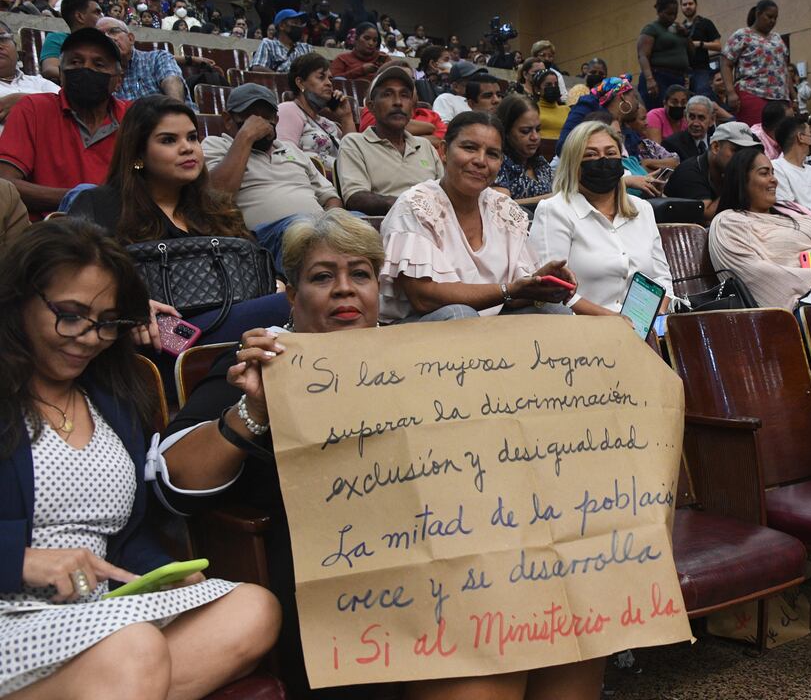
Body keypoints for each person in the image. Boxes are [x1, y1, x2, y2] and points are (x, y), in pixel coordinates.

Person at [153, 209, 607, 699]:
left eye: (361, 275)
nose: (345, 289)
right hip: (349, 592)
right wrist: (254, 409)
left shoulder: (415, 355)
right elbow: (174, 483)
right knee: (489, 662)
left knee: (571, 632)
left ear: (378, 289)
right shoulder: (264, 361)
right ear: (292, 293)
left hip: (459, 563)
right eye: (323, 276)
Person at [0, 217, 281, 699]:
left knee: (253, 608)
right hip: (13, 613)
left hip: (97, 612)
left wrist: (161, 576)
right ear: (21, 299)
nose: (88, 337)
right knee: (134, 649)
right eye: (70, 314)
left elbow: (124, 537)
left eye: (107, 323)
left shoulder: (113, 396)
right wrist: (20, 561)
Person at [68, 94, 291, 344]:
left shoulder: (216, 208)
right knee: (288, 306)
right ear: (138, 153)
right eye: (168, 140)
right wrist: (125, 302)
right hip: (152, 334)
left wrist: (277, 283)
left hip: (230, 327)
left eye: (192, 137)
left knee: (297, 302)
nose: (187, 148)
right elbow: (71, 278)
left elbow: (261, 265)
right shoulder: (99, 204)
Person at [378, 112, 578, 322]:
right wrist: (508, 290)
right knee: (460, 315)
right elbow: (424, 299)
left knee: (555, 312)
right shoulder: (415, 206)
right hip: (419, 331)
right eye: (469, 148)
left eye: (492, 154)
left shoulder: (504, 210)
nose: (481, 161)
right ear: (444, 151)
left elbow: (511, 298)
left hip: (486, 325)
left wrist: (538, 284)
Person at [531, 120, 672, 315]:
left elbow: (661, 278)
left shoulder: (642, 209)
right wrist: (615, 320)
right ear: (574, 164)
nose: (603, 160)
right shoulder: (554, 210)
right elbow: (552, 291)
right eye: (591, 155)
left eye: (611, 153)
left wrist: (655, 316)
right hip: (583, 329)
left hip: (645, 329)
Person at [203, 83, 342, 269]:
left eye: (267, 116)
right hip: (265, 237)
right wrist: (245, 137)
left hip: (316, 228)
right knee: (301, 227)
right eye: (250, 116)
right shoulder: (216, 145)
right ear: (228, 120)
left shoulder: (291, 149)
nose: (260, 123)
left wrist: (332, 222)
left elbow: (330, 196)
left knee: (362, 224)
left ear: (276, 118)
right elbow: (217, 194)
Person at [0, 28, 128, 215]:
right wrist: (76, 197)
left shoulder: (132, 116)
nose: (86, 69)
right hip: (52, 233)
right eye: (75, 62)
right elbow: (5, 182)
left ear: (119, 80)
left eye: (99, 64)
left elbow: (146, 172)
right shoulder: (33, 109)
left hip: (126, 228)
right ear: (61, 73)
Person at [709, 147, 811, 309]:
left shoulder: (789, 208)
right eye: (764, 173)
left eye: (773, 173)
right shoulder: (728, 221)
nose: (774, 180)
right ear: (741, 179)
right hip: (804, 306)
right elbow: (751, 271)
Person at [336, 64, 443, 215]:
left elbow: (446, 192)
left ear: (412, 108)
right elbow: (354, 197)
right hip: (385, 223)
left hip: (434, 222)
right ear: (371, 107)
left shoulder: (425, 146)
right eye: (387, 94)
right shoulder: (354, 143)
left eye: (405, 95)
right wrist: (410, 205)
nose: (398, 102)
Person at [276, 52, 355, 175]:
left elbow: (353, 159)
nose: (329, 83)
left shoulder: (329, 125)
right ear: (300, 83)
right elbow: (286, 158)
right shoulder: (288, 110)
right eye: (321, 77)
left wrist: (346, 117)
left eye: (330, 78)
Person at [663, 121, 757, 222]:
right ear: (715, 147)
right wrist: (736, 180)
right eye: (736, 151)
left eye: (746, 152)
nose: (743, 157)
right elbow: (706, 215)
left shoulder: (726, 169)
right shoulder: (689, 172)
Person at [719, 0, 792, 126]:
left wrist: (793, 96)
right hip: (752, 92)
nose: (773, 21)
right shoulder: (742, 35)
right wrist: (730, 92)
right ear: (758, 14)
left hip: (781, 97)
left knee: (782, 138)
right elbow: (726, 63)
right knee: (756, 136)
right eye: (769, 16)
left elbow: (784, 69)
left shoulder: (777, 38)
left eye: (775, 18)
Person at [95, 16, 188, 105]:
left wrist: (177, 113)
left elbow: (172, 82)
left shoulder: (157, 58)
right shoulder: (101, 75)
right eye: (101, 35)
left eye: (113, 31)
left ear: (130, 38)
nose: (108, 38)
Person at [557, 75, 642, 157]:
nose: (638, 104)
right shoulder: (587, 107)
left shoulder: (627, 130)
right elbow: (563, 147)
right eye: (635, 97)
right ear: (622, 97)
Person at [0, 20, 59, 135]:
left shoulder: (39, 82)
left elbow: (69, 106)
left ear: (16, 49)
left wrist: (25, 102)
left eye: (3, 39)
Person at [494, 93, 554, 204]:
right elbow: (502, 204)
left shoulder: (540, 162)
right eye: (525, 131)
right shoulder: (498, 163)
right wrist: (551, 199)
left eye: (538, 129)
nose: (535, 137)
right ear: (506, 131)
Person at [637, 0, 692, 110]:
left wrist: (686, 35)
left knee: (677, 113)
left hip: (678, 78)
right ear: (659, 11)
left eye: (675, 14)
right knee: (658, 111)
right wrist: (650, 79)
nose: (672, 17)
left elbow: (692, 53)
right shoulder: (651, 28)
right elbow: (642, 55)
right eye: (668, 14)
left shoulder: (678, 30)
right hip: (658, 77)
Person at [39, 0, 103, 82]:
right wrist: (87, 79)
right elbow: (50, 69)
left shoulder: (104, 43)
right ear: (80, 17)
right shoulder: (57, 38)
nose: (102, 17)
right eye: (97, 13)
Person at [679, 0, 721, 98]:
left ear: (696, 5)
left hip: (702, 70)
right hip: (683, 73)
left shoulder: (705, 23)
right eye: (684, 4)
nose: (687, 7)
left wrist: (700, 44)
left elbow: (718, 46)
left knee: (703, 99)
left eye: (690, 4)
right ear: (681, 7)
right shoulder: (679, 28)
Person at [250, 8, 313, 72]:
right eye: (295, 23)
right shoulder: (269, 44)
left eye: (300, 24)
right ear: (282, 26)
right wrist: (281, 78)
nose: (299, 27)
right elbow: (257, 68)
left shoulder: (306, 48)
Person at [662, 95, 715, 162]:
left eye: (701, 118)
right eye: (692, 117)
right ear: (685, 117)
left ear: (712, 120)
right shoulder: (671, 144)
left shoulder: (716, 142)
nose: (695, 123)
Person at [531, 68, 568, 142]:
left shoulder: (567, 110)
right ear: (537, 89)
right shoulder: (532, 111)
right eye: (548, 85)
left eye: (556, 84)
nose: (553, 87)